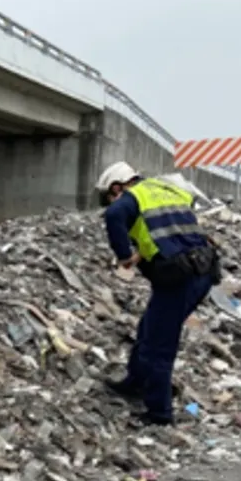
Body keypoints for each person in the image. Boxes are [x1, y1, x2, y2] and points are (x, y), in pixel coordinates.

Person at [95, 161, 221, 426]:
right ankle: (134, 382)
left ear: (117, 187)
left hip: (180, 277)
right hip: (204, 269)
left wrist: (123, 256)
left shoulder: (131, 198)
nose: (110, 201)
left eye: (108, 196)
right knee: (149, 328)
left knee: (158, 346)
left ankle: (159, 412)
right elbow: (177, 222)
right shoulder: (167, 188)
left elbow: (115, 215)